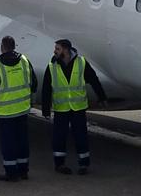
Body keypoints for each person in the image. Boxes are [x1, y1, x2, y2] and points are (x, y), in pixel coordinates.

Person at [40, 38, 104, 175]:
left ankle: (84, 164)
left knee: (81, 136)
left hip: (78, 108)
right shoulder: (52, 65)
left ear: (66, 50)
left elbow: (93, 79)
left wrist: (102, 96)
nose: (54, 51)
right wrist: (45, 108)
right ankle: (59, 164)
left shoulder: (81, 63)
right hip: (61, 108)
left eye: (57, 49)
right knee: (59, 138)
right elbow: (46, 89)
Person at [0, 36, 35, 182]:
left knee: (8, 143)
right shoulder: (25, 61)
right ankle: (23, 170)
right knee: (22, 141)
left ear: (2, 47)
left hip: (5, 112)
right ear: (14, 46)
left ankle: (11, 172)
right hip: (22, 109)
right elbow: (34, 84)